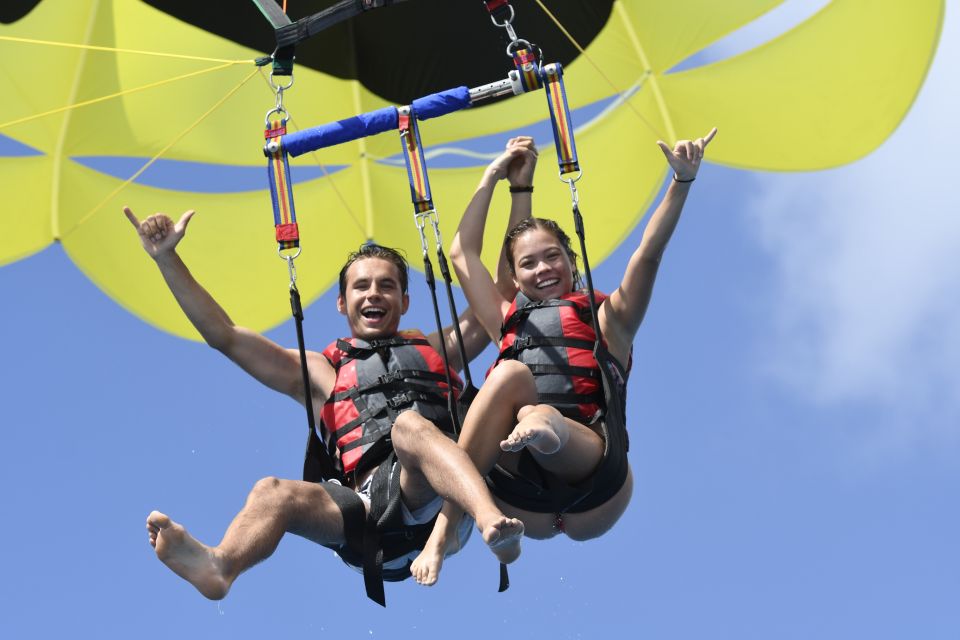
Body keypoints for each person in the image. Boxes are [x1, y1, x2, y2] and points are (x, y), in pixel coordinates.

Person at [124, 206, 524, 603]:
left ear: (404, 301)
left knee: (411, 428)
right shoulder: (321, 372)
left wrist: (517, 188)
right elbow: (225, 336)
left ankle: (490, 519)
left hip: (442, 505)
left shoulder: (439, 349)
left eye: (386, 286)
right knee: (272, 492)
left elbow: (502, 294)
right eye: (361, 286)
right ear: (340, 302)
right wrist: (167, 259)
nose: (373, 293)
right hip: (368, 518)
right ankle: (219, 566)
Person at [411, 128, 717, 586]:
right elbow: (461, 253)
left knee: (535, 410)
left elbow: (647, 256)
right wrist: (493, 176)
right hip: (521, 501)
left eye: (552, 257)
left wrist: (681, 183)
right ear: (514, 277)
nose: (543, 269)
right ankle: (464, 532)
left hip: (597, 482)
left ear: (571, 261)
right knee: (509, 374)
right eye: (528, 264)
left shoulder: (609, 319)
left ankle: (541, 430)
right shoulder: (505, 319)